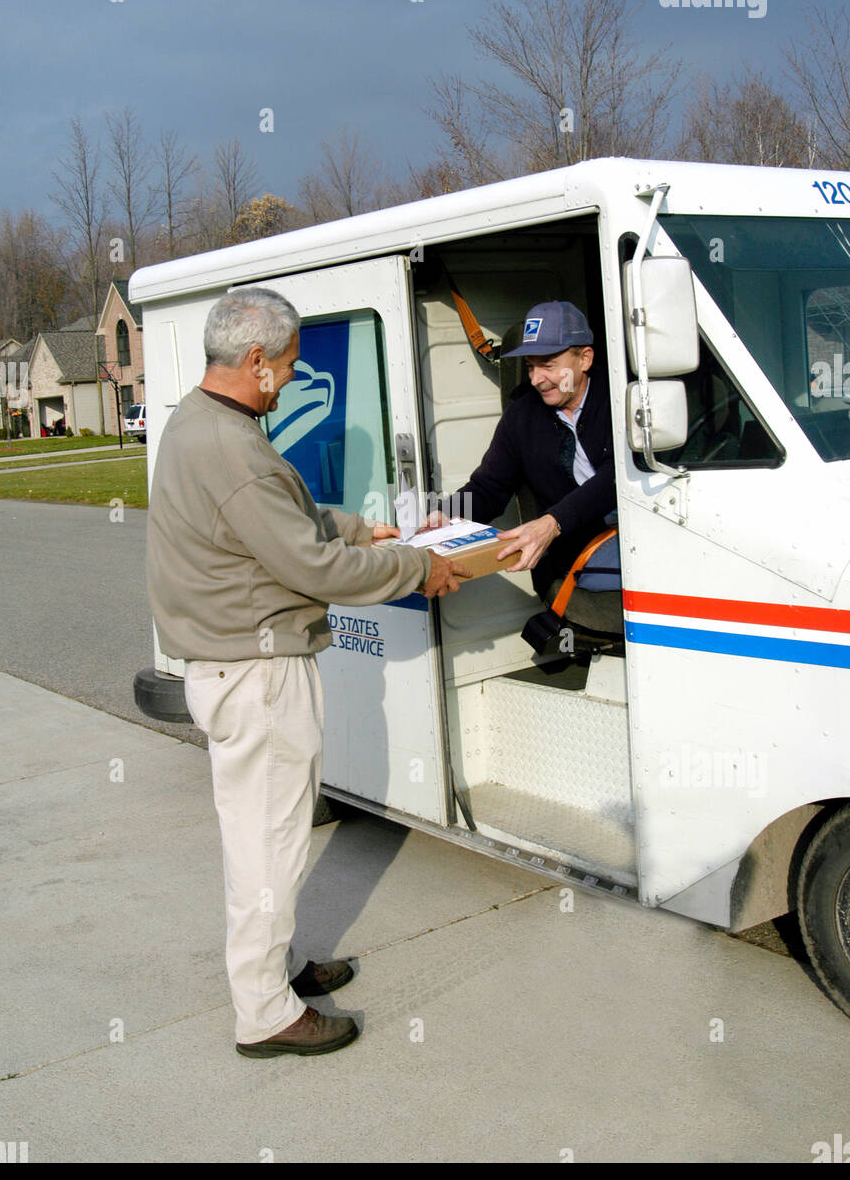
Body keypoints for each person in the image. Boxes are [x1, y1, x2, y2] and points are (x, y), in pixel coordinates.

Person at [146, 287, 466, 1059]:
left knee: (267, 835)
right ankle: (265, 1013)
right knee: (269, 842)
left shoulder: (203, 423)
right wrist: (414, 567)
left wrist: (361, 527)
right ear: (255, 361)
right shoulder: (231, 448)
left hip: (236, 667)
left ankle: (278, 968)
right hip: (255, 673)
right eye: (287, 367)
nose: (291, 378)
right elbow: (305, 561)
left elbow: (280, 524)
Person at [426, 301, 616, 600]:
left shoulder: (621, 399)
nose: (536, 379)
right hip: (577, 552)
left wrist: (553, 522)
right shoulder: (522, 415)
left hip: (641, 533)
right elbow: (490, 488)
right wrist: (445, 516)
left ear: (585, 359)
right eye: (530, 366)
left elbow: (617, 479)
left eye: (548, 365)